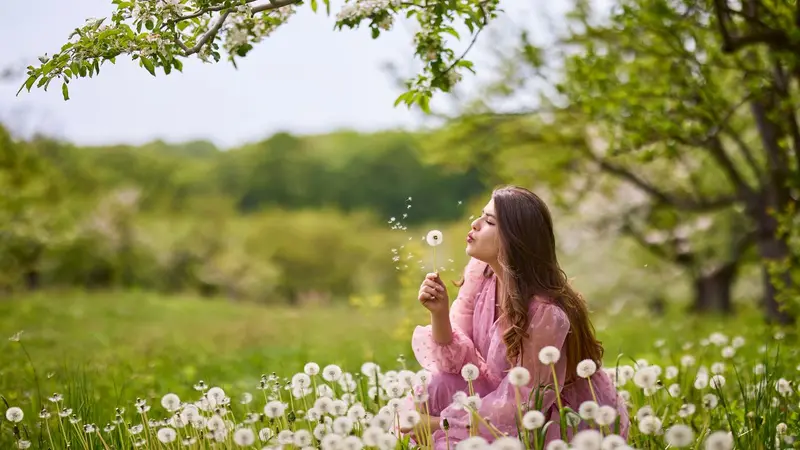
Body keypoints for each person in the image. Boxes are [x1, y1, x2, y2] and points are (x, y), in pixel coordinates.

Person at [409, 185, 629, 448]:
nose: (475, 224)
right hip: (498, 399)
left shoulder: (545, 313)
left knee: (445, 440)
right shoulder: (481, 274)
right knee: (436, 384)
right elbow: (455, 365)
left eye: (489, 221)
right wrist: (439, 314)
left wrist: (441, 425)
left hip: (551, 420)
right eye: (480, 216)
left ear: (515, 239)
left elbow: (523, 401)